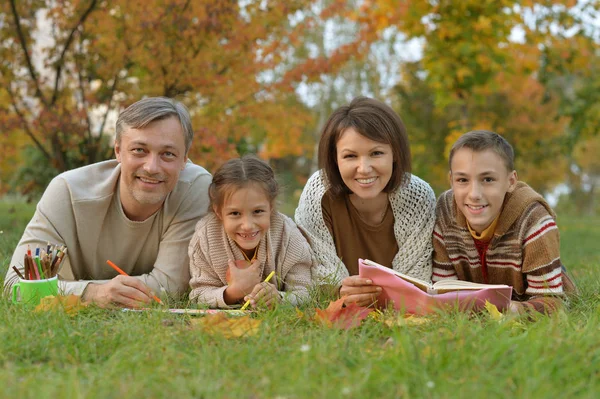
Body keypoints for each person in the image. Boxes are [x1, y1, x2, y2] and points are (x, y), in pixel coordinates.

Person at [4, 97, 212, 308]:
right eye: (139, 150)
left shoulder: (195, 188)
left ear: (185, 159)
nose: (151, 167)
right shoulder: (67, 192)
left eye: (168, 154)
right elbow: (16, 287)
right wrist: (92, 293)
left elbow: (171, 287)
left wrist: (64, 291)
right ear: (118, 151)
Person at [295, 96, 436, 307]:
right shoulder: (318, 195)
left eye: (376, 153)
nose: (364, 168)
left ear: (395, 153)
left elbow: (418, 279)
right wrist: (337, 289)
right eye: (350, 156)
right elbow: (309, 270)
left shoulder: (419, 196)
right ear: (335, 159)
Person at [432, 130, 577, 314]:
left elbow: (552, 304)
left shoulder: (534, 220)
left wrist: (503, 310)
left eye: (488, 179)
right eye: (462, 180)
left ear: (511, 181)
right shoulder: (445, 212)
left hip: (526, 297)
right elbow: (441, 289)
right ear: (451, 181)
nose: (474, 194)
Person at [188, 155, 314, 309]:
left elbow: (305, 292)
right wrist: (231, 293)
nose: (247, 225)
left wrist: (280, 298)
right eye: (235, 213)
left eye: (258, 211)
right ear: (218, 212)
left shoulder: (289, 237)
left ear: (271, 207)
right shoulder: (205, 238)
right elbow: (198, 295)